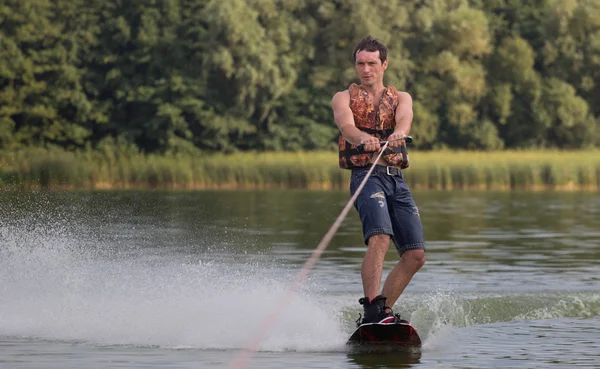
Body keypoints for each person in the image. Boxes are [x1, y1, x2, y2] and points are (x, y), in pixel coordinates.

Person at [331, 35, 426, 326]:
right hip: (366, 177)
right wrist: (363, 139)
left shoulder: (402, 98)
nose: (366, 69)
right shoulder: (343, 97)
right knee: (380, 237)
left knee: (415, 255)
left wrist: (399, 132)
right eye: (361, 63)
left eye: (372, 63)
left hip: (396, 180)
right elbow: (346, 126)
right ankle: (372, 307)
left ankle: (381, 311)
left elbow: (405, 120)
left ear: (384, 64)